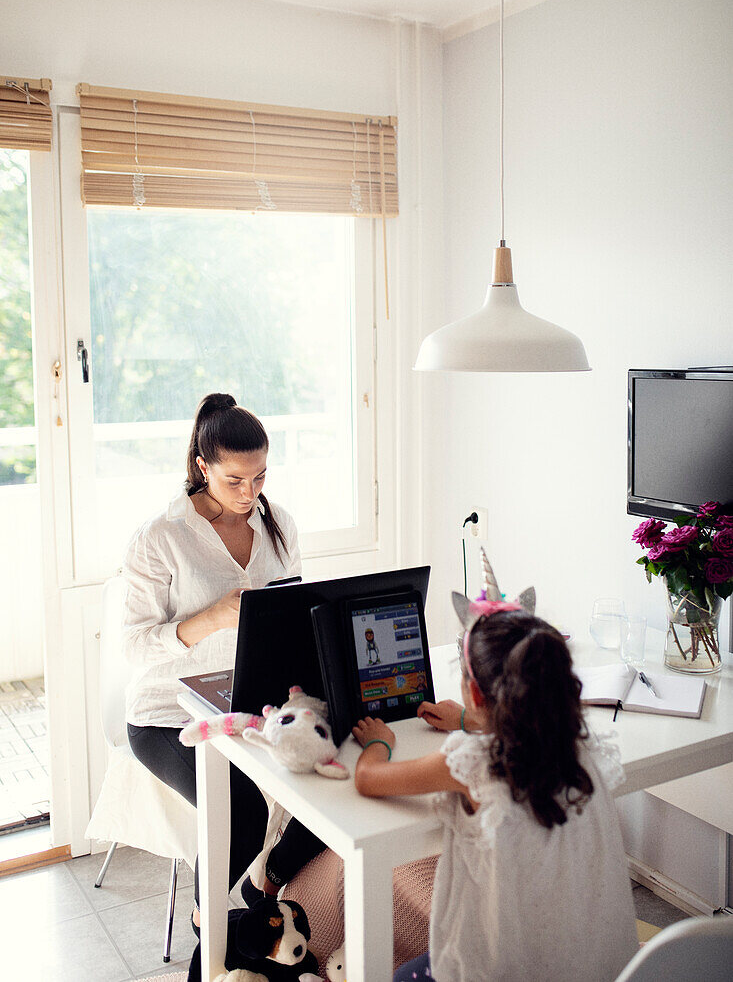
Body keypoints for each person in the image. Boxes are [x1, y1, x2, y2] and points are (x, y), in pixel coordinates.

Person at [351, 602, 639, 982]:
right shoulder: (581, 746)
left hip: (499, 971)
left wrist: (379, 740)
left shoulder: (478, 762)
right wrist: (470, 718)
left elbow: (369, 778)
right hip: (601, 967)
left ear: (475, 691)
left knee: (403, 975)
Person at [123, 392, 325, 933]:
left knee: (335, 773)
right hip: (168, 713)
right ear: (201, 466)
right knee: (242, 810)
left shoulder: (277, 522)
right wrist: (211, 618)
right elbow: (134, 647)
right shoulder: (160, 539)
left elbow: (295, 613)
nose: (249, 492)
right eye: (234, 480)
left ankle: (272, 882)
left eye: (260, 477)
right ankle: (207, 927)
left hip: (250, 700)